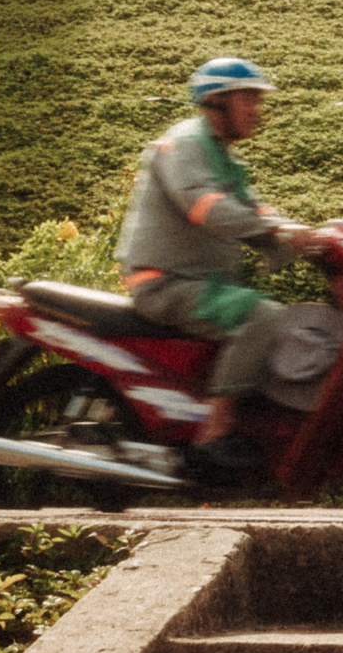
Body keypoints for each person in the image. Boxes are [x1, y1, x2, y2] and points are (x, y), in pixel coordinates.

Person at [116, 56, 313, 480]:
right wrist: (276, 229)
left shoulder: (224, 159)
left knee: (268, 315)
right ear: (218, 101)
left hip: (197, 283)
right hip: (166, 282)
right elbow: (209, 208)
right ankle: (213, 434)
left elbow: (252, 211)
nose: (257, 110)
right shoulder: (185, 143)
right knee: (262, 316)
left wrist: (310, 240)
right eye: (249, 99)